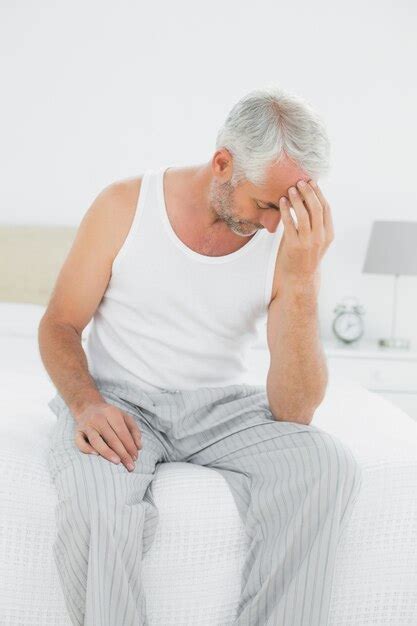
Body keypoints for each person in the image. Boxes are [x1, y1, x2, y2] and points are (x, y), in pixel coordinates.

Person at [38, 85, 363, 626]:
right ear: (222, 163)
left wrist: (301, 281)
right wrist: (85, 403)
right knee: (98, 503)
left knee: (326, 467)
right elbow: (59, 324)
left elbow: (295, 412)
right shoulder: (124, 206)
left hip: (225, 410)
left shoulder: (288, 243)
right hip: (122, 400)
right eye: (264, 204)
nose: (272, 225)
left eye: (285, 208)